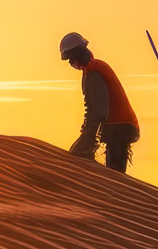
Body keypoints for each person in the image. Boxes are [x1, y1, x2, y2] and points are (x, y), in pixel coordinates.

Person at [60, 32, 142, 172]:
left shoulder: (94, 72)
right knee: (111, 172)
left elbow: (98, 111)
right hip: (116, 127)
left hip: (119, 128)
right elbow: (93, 109)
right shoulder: (92, 69)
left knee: (114, 175)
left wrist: (89, 138)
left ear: (77, 55)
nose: (70, 63)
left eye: (70, 59)